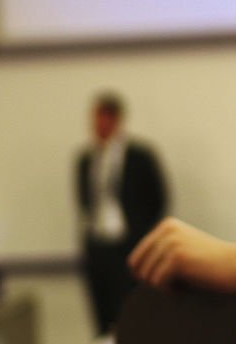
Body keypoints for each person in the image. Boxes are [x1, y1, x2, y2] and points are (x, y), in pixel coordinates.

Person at [76, 91, 167, 335]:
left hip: (128, 245)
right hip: (97, 245)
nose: (96, 126)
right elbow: (85, 202)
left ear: (115, 119)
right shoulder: (86, 158)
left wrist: (139, 233)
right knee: (101, 313)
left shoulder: (140, 156)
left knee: (129, 311)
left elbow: (158, 199)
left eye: (101, 119)